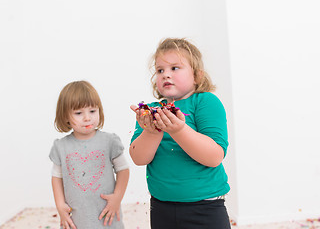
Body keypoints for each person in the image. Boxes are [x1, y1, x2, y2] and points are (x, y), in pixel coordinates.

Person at [130, 38, 231, 229]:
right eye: (160, 70)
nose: (166, 74)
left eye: (174, 68)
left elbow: (214, 156)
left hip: (206, 207)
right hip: (161, 207)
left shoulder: (205, 102)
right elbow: (138, 158)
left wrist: (179, 130)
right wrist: (151, 132)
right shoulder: (152, 111)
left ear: (197, 76)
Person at [50, 81, 129, 229]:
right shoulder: (61, 147)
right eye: (79, 113)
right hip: (77, 218)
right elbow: (56, 177)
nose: (87, 118)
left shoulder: (109, 141)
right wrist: (60, 205)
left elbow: (123, 169)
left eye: (92, 111)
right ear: (65, 116)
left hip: (106, 214)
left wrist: (117, 197)